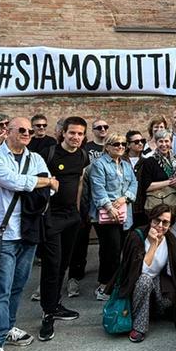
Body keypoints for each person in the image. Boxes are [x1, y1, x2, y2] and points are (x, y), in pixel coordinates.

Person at [0, 117, 55, 351]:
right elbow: (14, 181)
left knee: (18, 285)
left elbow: (49, 190)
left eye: (29, 131)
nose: (26, 133)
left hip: (29, 230)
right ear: (6, 131)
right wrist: (41, 182)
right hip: (3, 231)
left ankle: (8, 326)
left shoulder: (35, 158)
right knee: (0, 288)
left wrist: (41, 183)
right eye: (21, 129)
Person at [37, 116, 89, 341]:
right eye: (72, 133)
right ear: (63, 133)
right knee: (52, 264)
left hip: (71, 218)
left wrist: (77, 212)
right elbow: (35, 182)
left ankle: (55, 304)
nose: (76, 137)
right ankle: (47, 312)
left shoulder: (82, 155)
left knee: (64, 264)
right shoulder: (49, 154)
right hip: (52, 218)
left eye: (80, 134)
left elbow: (78, 182)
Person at [109, 205, 176, 343]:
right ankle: (139, 327)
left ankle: (148, 311)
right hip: (135, 283)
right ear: (150, 220)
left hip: (156, 279)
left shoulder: (171, 241)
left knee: (168, 301)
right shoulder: (136, 237)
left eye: (165, 222)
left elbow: (175, 271)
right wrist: (153, 245)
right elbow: (140, 271)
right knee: (145, 281)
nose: (160, 226)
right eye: (157, 220)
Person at [85, 132, 138, 302]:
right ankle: (104, 285)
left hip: (124, 213)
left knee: (120, 249)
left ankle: (116, 283)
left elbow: (134, 183)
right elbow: (98, 188)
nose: (120, 147)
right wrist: (109, 206)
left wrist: (125, 197)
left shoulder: (125, 164)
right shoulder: (99, 165)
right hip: (106, 215)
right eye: (116, 144)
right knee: (110, 250)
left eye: (123, 144)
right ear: (107, 146)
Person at [65, 117, 109, 298]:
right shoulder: (86, 149)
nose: (102, 129)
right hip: (85, 201)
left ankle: (105, 278)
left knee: (106, 242)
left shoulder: (113, 147)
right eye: (98, 127)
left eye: (105, 126)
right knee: (80, 240)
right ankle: (75, 276)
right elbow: (81, 178)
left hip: (104, 201)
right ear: (93, 130)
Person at [135, 129, 176, 226]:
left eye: (166, 141)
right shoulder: (149, 161)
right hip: (157, 204)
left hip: (174, 203)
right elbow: (146, 186)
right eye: (161, 141)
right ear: (156, 143)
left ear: (171, 142)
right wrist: (169, 182)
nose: (164, 144)